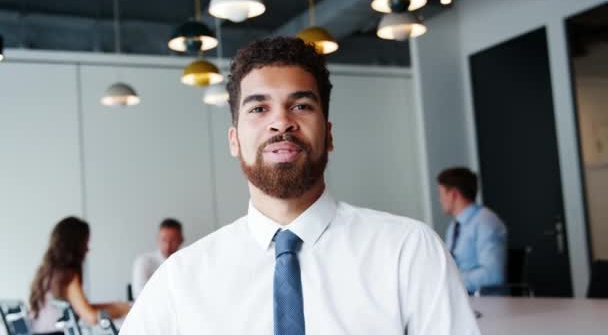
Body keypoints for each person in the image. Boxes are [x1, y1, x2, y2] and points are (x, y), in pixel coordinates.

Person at [120, 37, 479, 334]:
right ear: (234, 140)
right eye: (259, 109)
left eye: (302, 105)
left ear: (330, 134)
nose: (281, 122)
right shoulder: (181, 280)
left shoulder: (410, 254)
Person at [29, 216, 130, 335]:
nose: (88, 249)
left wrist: (115, 306)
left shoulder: (47, 272)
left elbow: (81, 307)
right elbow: (90, 317)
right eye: (85, 243)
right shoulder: (67, 275)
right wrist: (124, 309)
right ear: (74, 245)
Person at [437, 167, 507, 294]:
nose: (440, 200)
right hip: (461, 297)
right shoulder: (454, 226)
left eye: (441, 194)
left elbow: (493, 275)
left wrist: (451, 281)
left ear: (453, 194)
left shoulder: (486, 222)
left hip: (482, 301)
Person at [131, 218, 183, 298]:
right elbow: (139, 295)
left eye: (173, 241)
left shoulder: (185, 262)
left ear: (181, 240)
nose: (168, 246)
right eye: (164, 240)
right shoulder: (144, 261)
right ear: (158, 239)